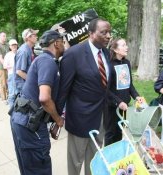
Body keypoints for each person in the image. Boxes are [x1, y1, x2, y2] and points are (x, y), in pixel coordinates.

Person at [56, 18, 114, 175]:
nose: (108, 36)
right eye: (104, 32)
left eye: (109, 32)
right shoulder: (74, 54)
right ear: (91, 34)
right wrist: (56, 117)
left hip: (101, 117)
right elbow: (63, 89)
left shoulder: (107, 53)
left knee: (95, 158)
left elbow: (105, 86)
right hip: (80, 119)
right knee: (76, 161)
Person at [10, 30, 65, 175]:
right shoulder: (48, 62)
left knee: (29, 168)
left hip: (23, 120)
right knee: (39, 168)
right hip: (31, 125)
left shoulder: (42, 59)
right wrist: (58, 120)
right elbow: (44, 98)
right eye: (63, 42)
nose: (64, 45)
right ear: (57, 43)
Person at [104, 38, 142, 146]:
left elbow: (129, 85)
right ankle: (108, 160)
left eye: (126, 45)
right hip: (111, 107)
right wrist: (118, 102)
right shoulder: (109, 65)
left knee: (119, 132)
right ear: (115, 49)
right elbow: (106, 89)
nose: (127, 47)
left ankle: (117, 159)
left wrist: (136, 97)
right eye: (123, 45)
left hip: (125, 107)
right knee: (110, 134)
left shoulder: (127, 62)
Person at [13, 28, 39, 96]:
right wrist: (33, 81)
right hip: (23, 86)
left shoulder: (30, 49)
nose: (37, 37)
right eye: (35, 35)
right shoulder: (23, 51)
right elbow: (19, 71)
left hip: (27, 84)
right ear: (29, 38)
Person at [0, 32, 9, 102]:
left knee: (8, 82)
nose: (5, 37)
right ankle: (4, 98)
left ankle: (9, 96)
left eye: (5, 36)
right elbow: (0, 58)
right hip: (1, 67)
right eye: (3, 36)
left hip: (8, 67)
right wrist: (6, 65)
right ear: (0, 37)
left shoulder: (7, 45)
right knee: (3, 83)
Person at [3, 39, 18, 106]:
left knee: (18, 92)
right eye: (12, 45)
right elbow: (4, 66)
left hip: (19, 74)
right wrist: (13, 66)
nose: (14, 46)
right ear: (10, 46)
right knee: (12, 93)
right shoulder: (8, 55)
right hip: (11, 74)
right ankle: (11, 109)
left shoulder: (20, 53)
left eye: (15, 45)